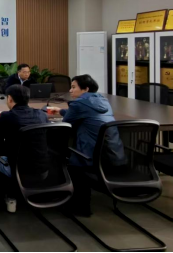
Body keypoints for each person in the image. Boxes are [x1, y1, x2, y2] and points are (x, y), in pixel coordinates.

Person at [47, 74, 124, 217]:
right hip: (112, 155)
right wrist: (61, 110)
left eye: (73, 87)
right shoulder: (103, 101)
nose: (70, 90)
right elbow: (87, 112)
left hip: (89, 157)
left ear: (86, 89)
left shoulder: (78, 104)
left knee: (55, 151)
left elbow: (66, 125)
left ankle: (78, 206)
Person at [0, 85, 49, 215]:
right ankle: (11, 199)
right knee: (11, 155)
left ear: (10, 99)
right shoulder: (41, 114)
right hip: (42, 170)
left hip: (19, 170)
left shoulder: (8, 116)